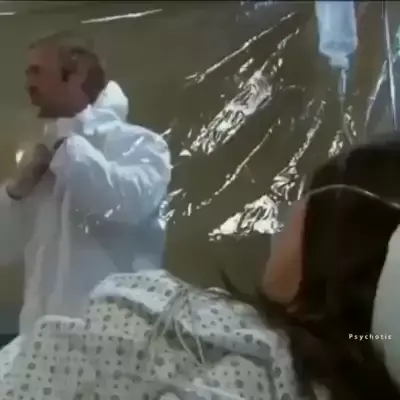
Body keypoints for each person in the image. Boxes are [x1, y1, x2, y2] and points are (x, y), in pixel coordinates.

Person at [1, 136, 400, 399]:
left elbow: (127, 197)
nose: (289, 215)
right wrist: (18, 190)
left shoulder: (260, 366)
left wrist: (75, 155)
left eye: (306, 200)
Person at [0, 31, 171, 334]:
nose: (28, 83)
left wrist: (67, 149)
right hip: (39, 343)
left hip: (115, 341)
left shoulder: (143, 145)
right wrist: (16, 191)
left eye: (37, 71)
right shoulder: (43, 159)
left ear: (76, 75)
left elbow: (129, 203)